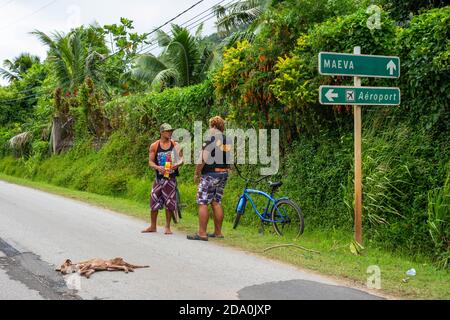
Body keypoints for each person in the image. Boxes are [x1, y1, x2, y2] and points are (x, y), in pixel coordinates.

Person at [188, 116, 232, 241]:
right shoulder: (227, 140)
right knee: (216, 202)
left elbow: (203, 158)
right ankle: (218, 232)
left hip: (210, 175)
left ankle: (202, 233)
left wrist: (197, 172)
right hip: (223, 174)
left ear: (213, 126)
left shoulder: (210, 139)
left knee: (202, 202)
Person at [142, 123, 183, 235]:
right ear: (161, 132)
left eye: (171, 131)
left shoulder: (175, 145)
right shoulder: (154, 146)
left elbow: (181, 159)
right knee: (153, 199)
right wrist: (158, 167)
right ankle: (153, 226)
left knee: (169, 203)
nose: (170, 133)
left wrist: (177, 165)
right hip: (159, 178)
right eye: (168, 131)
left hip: (171, 178)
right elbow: (150, 162)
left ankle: (167, 227)